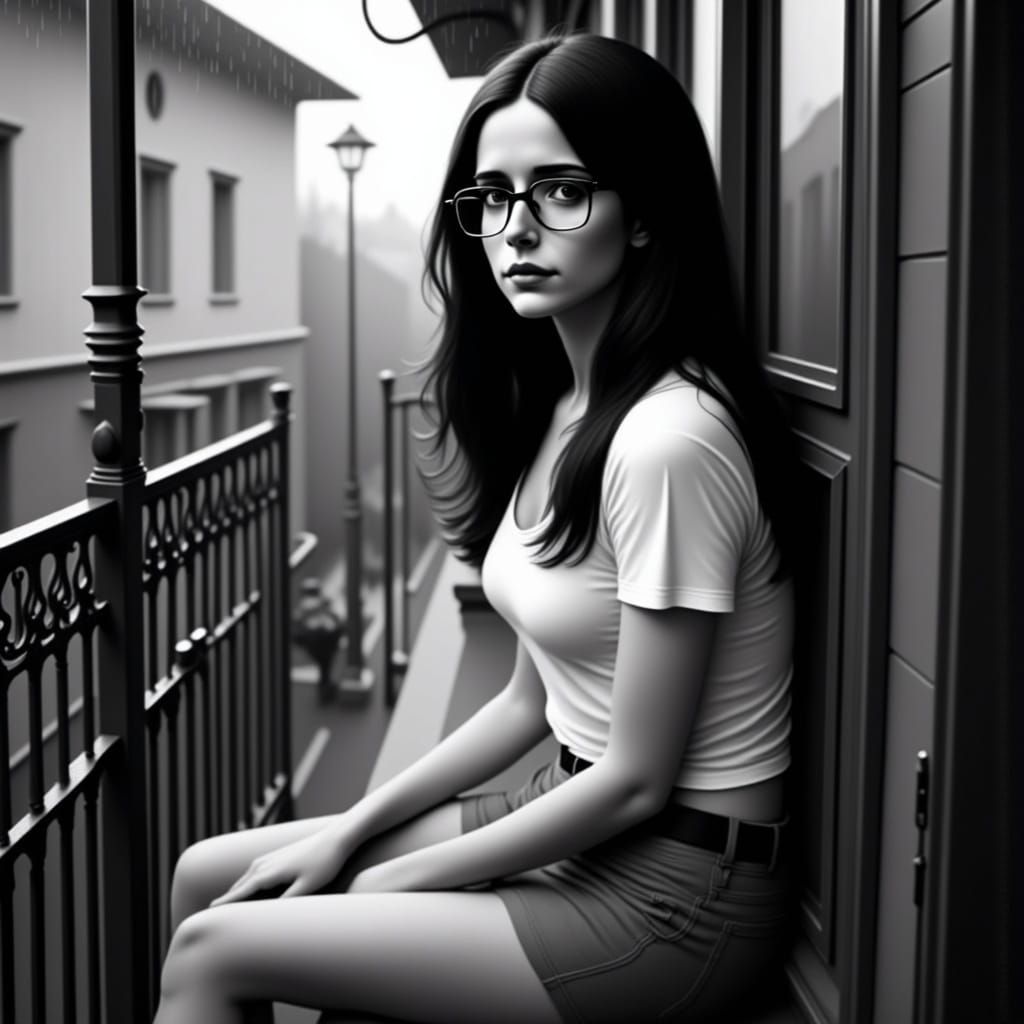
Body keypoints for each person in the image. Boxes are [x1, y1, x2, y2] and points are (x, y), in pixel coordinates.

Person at [155, 31, 801, 1024]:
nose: (516, 229)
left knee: (213, 949)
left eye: (559, 190)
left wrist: (394, 879)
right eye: (491, 196)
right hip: (576, 811)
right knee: (208, 874)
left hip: (676, 893)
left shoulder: (671, 440)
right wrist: (355, 828)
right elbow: (524, 701)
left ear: (643, 215)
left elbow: (635, 778)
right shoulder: (569, 411)